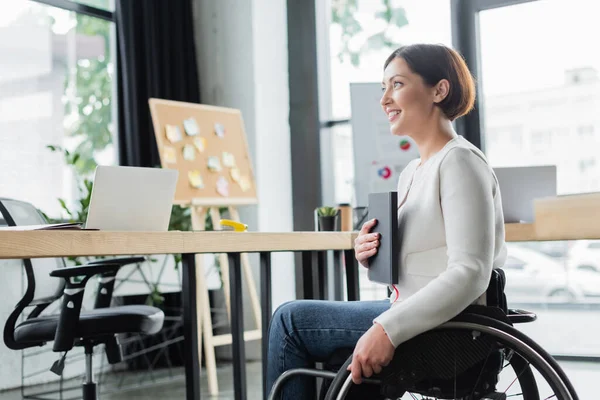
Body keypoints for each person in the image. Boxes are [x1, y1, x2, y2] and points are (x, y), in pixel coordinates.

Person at [266, 43, 507, 399]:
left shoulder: (459, 162)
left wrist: (386, 329)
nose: (384, 101)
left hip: (452, 328)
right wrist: (373, 256)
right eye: (383, 88)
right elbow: (421, 261)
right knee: (295, 321)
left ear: (439, 90)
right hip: (413, 311)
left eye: (396, 85)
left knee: (290, 322)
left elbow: (470, 272)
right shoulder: (412, 171)